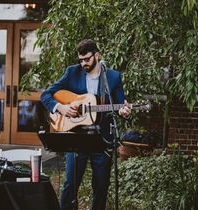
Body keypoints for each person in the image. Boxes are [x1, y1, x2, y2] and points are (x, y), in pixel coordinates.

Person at [40, 39, 131, 210]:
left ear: (97, 56)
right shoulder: (72, 73)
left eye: (87, 59)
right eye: (80, 60)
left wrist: (124, 112)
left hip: (102, 139)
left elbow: (120, 105)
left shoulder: (112, 77)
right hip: (77, 138)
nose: (83, 63)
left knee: (101, 187)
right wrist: (61, 108)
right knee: (70, 185)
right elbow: (46, 95)